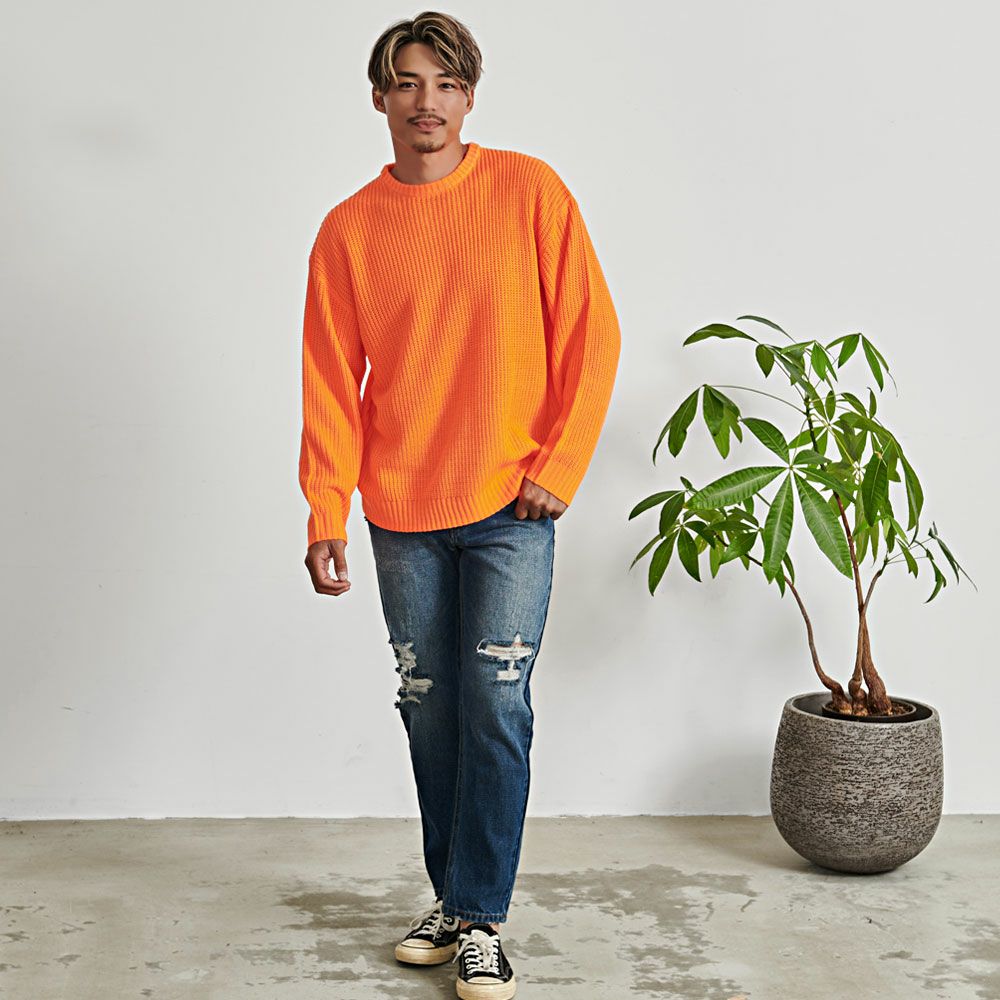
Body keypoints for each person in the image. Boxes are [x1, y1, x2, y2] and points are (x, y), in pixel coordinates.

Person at [298, 12, 621, 999]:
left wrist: (560, 464)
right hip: (400, 512)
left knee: (496, 703)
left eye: (444, 83)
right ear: (379, 98)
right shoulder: (349, 229)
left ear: (470, 96)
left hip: (512, 506)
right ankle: (452, 896)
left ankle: (481, 917)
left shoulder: (529, 191)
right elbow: (329, 383)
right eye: (406, 82)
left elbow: (592, 335)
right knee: (427, 707)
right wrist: (325, 510)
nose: (425, 102)